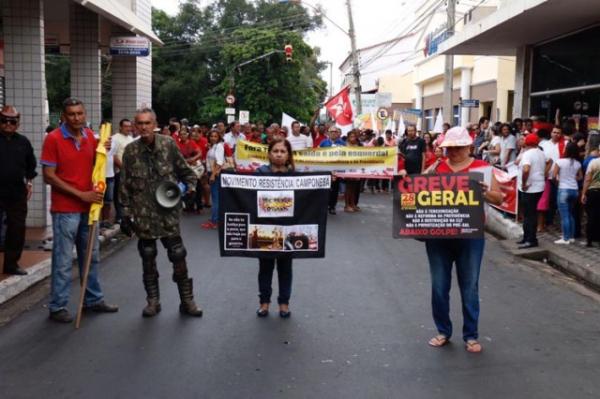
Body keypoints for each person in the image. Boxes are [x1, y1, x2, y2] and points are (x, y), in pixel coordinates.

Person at [424, 126, 503, 353]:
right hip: (438, 236)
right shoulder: (437, 167)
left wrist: (486, 192)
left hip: (470, 236)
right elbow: (418, 191)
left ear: (469, 147)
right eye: (450, 148)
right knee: (439, 286)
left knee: (469, 286)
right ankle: (443, 330)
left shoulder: (483, 168)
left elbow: (499, 197)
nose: (454, 152)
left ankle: (471, 334)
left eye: (458, 147)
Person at [40, 98, 118, 323]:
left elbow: (98, 166)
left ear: (85, 114)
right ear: (64, 117)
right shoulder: (53, 139)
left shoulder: (90, 137)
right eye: (72, 114)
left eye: (80, 113)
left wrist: (104, 148)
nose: (76, 118)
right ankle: (57, 305)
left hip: (89, 208)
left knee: (91, 257)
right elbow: (49, 176)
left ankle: (93, 299)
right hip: (66, 209)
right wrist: (80, 194)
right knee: (63, 260)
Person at [119, 107, 202, 317]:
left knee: (178, 255)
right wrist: (125, 214)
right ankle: (153, 301)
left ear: (154, 124)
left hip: (168, 214)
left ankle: (187, 300)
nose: (144, 127)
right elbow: (125, 185)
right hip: (143, 215)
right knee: (147, 257)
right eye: (140, 123)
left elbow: (186, 173)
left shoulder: (168, 145)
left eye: (148, 123)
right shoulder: (130, 151)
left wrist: (187, 190)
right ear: (135, 126)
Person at [255, 138, 295, 318]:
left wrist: (326, 182)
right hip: (265, 228)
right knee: (265, 267)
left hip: (287, 229)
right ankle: (264, 303)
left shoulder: (296, 175)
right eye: (275, 151)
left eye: (282, 151)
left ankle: (284, 304)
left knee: (285, 268)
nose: (279, 154)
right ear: (269, 154)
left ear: (288, 155)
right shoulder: (260, 173)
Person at [0, 105, 37, 275]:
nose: (8, 124)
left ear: (18, 123)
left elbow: (31, 165)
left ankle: (11, 264)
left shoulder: (23, 142)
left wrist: (29, 183)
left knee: (17, 228)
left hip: (16, 193)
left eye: (12, 121)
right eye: (4, 120)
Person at [516, 133, 547, 249]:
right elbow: (549, 162)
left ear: (527, 142)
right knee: (530, 213)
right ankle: (527, 237)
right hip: (538, 185)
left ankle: (530, 239)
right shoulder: (541, 153)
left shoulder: (528, 154)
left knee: (529, 214)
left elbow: (526, 169)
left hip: (529, 187)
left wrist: (524, 183)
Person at [552, 142, 583, 244]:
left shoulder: (560, 162)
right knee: (570, 214)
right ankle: (571, 236)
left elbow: (554, 176)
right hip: (574, 190)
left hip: (563, 189)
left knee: (564, 215)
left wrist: (558, 183)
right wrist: (573, 178)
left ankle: (565, 238)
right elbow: (580, 177)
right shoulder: (578, 163)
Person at [112, 119, 135, 224]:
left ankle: (128, 214)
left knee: (130, 193)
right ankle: (119, 216)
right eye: (125, 126)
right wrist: (123, 168)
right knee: (119, 194)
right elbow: (114, 156)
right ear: (120, 127)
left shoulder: (130, 138)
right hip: (120, 171)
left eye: (129, 126)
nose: (128, 128)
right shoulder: (115, 138)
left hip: (132, 171)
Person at [202, 129, 225, 229]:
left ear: (219, 137)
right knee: (216, 197)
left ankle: (214, 221)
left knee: (215, 198)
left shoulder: (219, 146)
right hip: (212, 172)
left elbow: (219, 162)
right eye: (211, 136)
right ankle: (214, 219)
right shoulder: (213, 146)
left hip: (216, 174)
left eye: (215, 136)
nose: (213, 138)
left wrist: (212, 175)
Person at [581, 151, 600, 247]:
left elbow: (587, 179)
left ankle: (589, 240)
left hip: (593, 191)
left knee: (592, 216)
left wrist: (583, 193)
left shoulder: (593, 162)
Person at [343, 130, 362, 212]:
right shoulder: (345, 145)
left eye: (354, 136)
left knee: (354, 187)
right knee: (348, 187)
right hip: (347, 168)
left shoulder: (358, 145)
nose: (353, 138)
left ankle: (353, 204)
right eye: (351, 136)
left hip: (356, 168)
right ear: (348, 138)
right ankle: (346, 205)